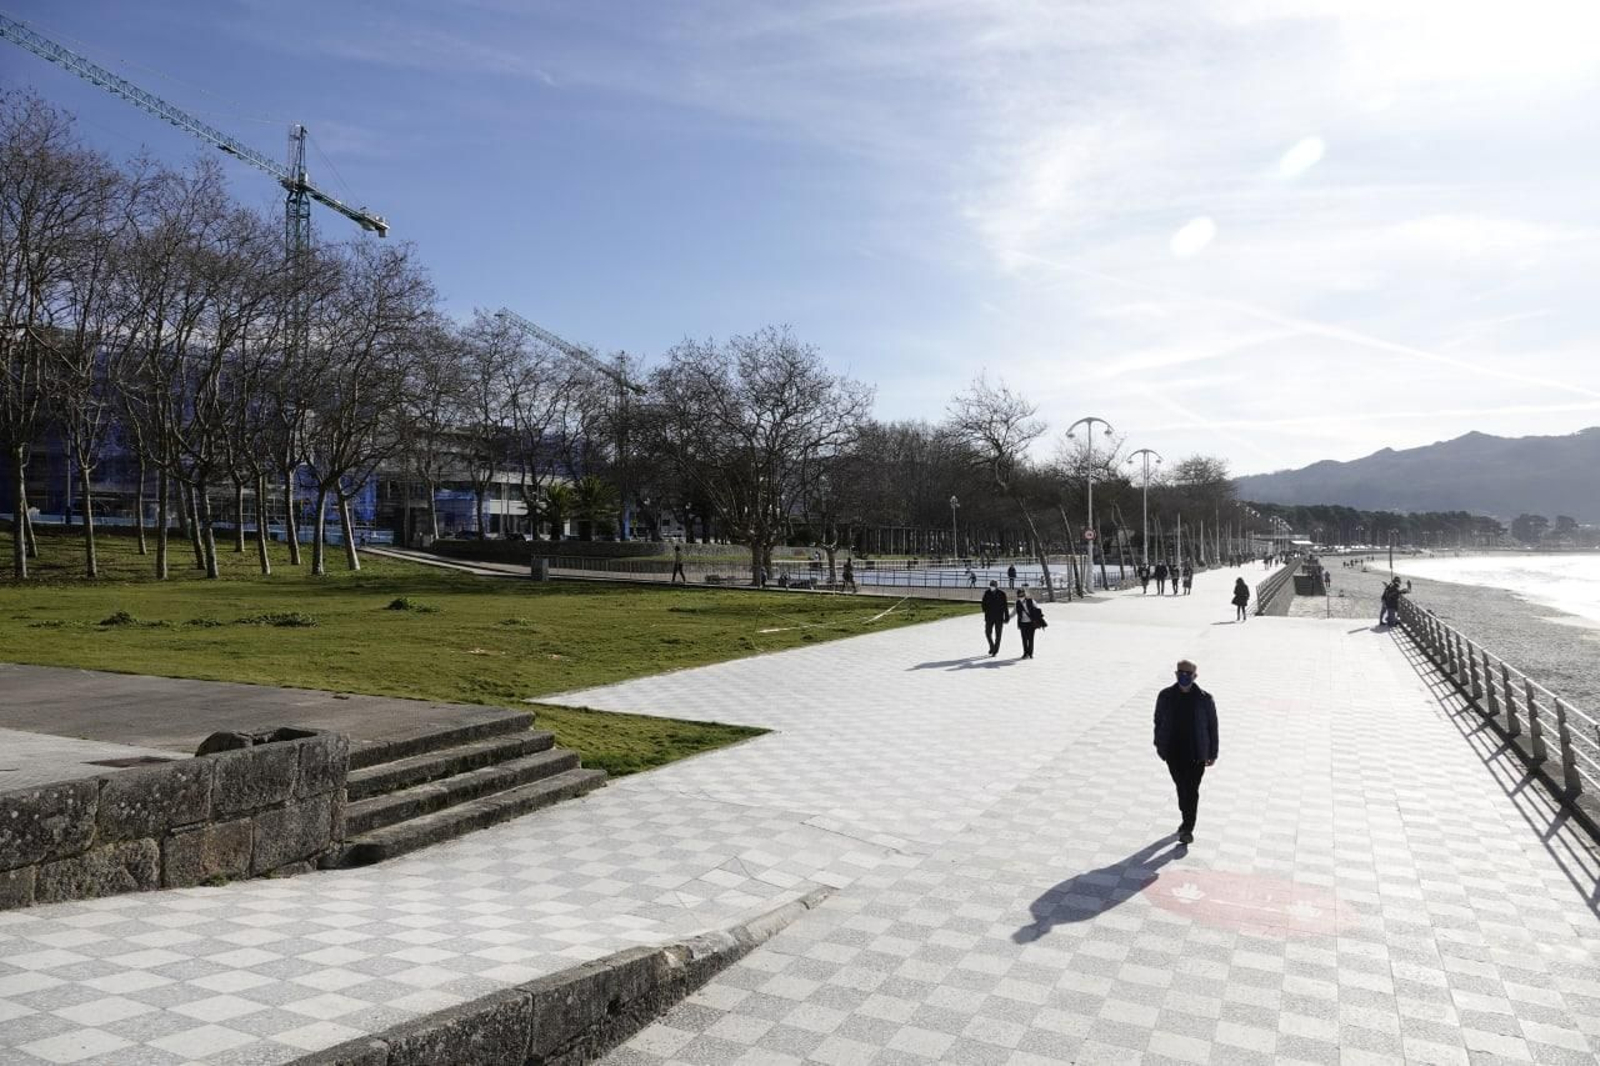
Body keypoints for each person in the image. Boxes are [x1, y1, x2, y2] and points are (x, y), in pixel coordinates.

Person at [1153, 659, 1218, 845]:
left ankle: (1188, 828)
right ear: (1176, 674)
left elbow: (1213, 727)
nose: (1184, 676)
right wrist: (1159, 744)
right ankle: (1185, 818)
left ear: (1195, 676)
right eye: (1180, 673)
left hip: (1197, 753)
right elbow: (1157, 720)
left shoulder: (1205, 699)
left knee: (1192, 790)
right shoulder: (1165, 696)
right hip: (1173, 753)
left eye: (1188, 674)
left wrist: (1212, 753)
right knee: (1182, 788)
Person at [981, 580, 1010, 656]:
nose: (992, 587)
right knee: (987, 632)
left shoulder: (1002, 594)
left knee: (998, 634)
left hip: (999, 617)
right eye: (991, 585)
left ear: (997, 586)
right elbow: (983, 603)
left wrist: (1006, 617)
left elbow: (1005, 606)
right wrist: (985, 610)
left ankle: (995, 650)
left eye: (993, 585)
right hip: (989, 617)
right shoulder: (987, 593)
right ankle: (992, 646)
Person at [1016, 587, 1042, 659]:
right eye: (1019, 595)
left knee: (1030, 638)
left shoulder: (1030, 601)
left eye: (1022, 595)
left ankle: (1030, 653)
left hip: (1031, 623)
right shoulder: (1018, 602)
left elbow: (1037, 608)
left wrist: (1037, 617)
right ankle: (1025, 653)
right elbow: (1016, 613)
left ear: (1024, 594)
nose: (1020, 597)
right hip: (1022, 623)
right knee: (1024, 639)